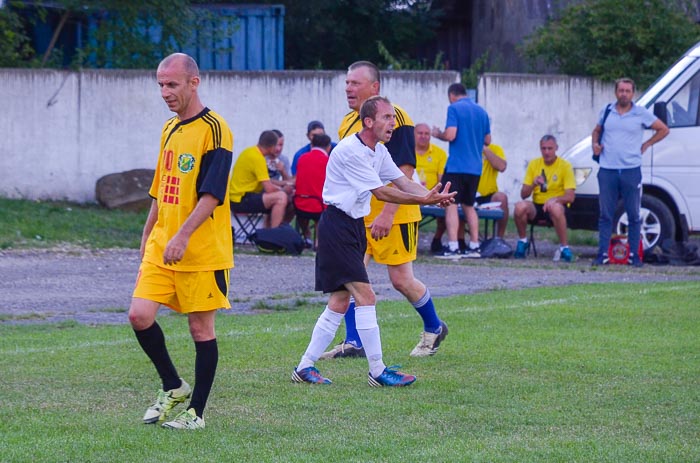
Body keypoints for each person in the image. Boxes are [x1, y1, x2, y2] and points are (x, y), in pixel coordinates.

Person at [291, 96, 456, 387]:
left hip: (353, 226)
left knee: (340, 301)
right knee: (366, 297)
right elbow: (382, 192)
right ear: (368, 122)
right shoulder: (351, 151)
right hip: (337, 226)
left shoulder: (378, 151)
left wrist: (432, 196)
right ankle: (378, 371)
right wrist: (423, 197)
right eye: (387, 118)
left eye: (393, 117)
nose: (393, 123)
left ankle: (305, 366)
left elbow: (403, 182)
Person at [127, 53, 233, 430]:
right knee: (139, 315)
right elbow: (160, 188)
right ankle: (173, 386)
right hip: (162, 245)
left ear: (194, 82)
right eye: (160, 84)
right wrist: (147, 235)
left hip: (201, 251)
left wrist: (183, 235)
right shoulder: (169, 128)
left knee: (200, 329)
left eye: (171, 84)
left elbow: (212, 194)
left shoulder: (215, 129)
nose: (164, 92)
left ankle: (196, 413)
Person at [321, 61, 449, 360]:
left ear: (374, 88)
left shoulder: (396, 117)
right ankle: (355, 341)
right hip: (360, 215)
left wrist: (387, 213)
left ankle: (434, 327)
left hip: (396, 212)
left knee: (401, 280)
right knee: (351, 275)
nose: (348, 88)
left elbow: (403, 168)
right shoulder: (347, 122)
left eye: (355, 83)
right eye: (347, 82)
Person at [591, 77, 669, 267]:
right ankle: (602, 254)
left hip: (630, 170)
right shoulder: (607, 110)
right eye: (621, 90)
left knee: (633, 213)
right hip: (608, 169)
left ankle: (635, 255)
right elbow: (597, 130)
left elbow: (663, 129)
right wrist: (595, 144)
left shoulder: (640, 113)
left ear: (633, 93)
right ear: (616, 92)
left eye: (627, 91)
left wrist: (647, 144)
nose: (624, 94)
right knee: (605, 214)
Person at [432, 83, 491, 259]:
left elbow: (451, 135)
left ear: (452, 95)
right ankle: (474, 246)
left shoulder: (454, 108)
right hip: (475, 167)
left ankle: (453, 247)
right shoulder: (482, 112)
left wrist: (438, 134)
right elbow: (488, 139)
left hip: (457, 165)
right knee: (469, 206)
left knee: (450, 204)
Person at [429, 142, 508, 253]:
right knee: (460, 204)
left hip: (486, 194)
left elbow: (502, 166)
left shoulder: (494, 148)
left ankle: (497, 240)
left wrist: (483, 148)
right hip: (467, 189)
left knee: (460, 206)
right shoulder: (466, 150)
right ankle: (463, 243)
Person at [513, 135, 576, 262]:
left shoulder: (565, 166)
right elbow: (523, 194)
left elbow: (570, 196)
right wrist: (533, 184)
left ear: (556, 148)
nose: (547, 152)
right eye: (544, 149)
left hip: (557, 206)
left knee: (556, 208)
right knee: (520, 207)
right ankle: (523, 241)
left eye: (550, 148)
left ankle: (564, 247)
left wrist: (555, 199)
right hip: (538, 205)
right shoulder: (534, 164)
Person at [229, 130, 292, 229]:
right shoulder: (258, 159)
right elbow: (269, 189)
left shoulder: (249, 151)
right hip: (240, 200)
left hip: (237, 197)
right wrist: (283, 190)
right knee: (281, 197)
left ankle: (268, 231)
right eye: (276, 145)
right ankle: (274, 235)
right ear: (271, 147)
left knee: (279, 196)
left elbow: (267, 183)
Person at [414, 122, 449, 253]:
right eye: (420, 133)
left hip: (434, 193)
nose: (423, 136)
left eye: (427, 133)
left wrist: (430, 194)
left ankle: (437, 240)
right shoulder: (406, 151)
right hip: (411, 195)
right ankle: (410, 242)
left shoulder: (440, 153)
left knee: (448, 206)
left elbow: (441, 179)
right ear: (413, 135)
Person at [294, 133, 332, 248]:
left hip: (299, 204)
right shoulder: (328, 161)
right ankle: (318, 242)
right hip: (319, 206)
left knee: (304, 211)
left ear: (311, 145)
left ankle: (306, 235)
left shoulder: (302, 158)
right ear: (328, 147)